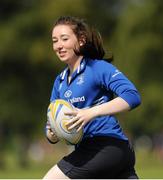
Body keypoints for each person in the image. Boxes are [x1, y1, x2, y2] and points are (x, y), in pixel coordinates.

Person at [43, 15, 141, 179]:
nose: (58, 45)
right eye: (54, 41)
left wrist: (90, 113)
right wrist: (51, 133)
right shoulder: (59, 82)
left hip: (106, 146)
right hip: (104, 153)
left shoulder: (97, 68)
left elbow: (132, 96)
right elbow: (50, 123)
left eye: (64, 39)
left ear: (81, 40)